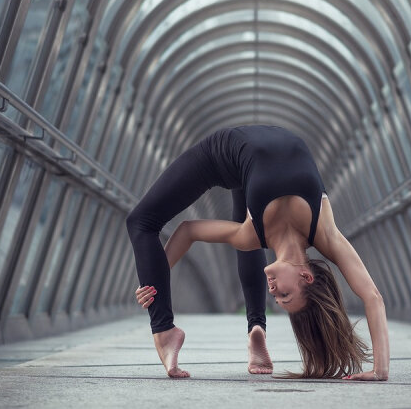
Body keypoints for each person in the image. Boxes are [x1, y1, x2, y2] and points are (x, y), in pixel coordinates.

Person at [126, 125, 389, 380]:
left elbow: (187, 231)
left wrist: (156, 278)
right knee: (140, 221)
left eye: (277, 299)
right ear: (306, 277)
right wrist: (380, 370)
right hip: (228, 156)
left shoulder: (249, 234)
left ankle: (249, 328)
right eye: (285, 295)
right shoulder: (326, 234)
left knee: (246, 236)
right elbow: (372, 296)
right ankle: (196, 330)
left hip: (249, 157)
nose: (273, 293)